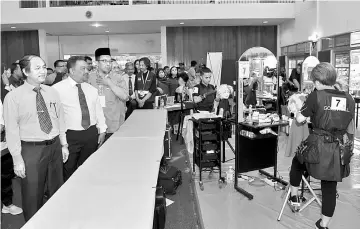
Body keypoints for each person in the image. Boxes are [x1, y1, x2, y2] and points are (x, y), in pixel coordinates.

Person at [287, 63, 355, 229]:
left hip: (317, 145)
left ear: (317, 81)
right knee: (330, 185)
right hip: (338, 148)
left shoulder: (316, 96)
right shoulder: (349, 98)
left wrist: (301, 114)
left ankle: (294, 196)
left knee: (297, 163)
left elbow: (300, 120)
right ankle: (323, 224)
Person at [3, 55, 69, 221]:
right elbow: (11, 130)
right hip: (31, 149)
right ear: (25, 71)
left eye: (44, 67)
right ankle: (33, 223)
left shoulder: (52, 91)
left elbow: (60, 119)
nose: (43, 71)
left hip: (54, 146)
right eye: (37, 68)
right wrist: (17, 159)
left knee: (56, 188)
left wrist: (64, 144)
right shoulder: (13, 97)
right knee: (32, 193)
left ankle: (56, 221)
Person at [53, 56, 107, 181]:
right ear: (72, 71)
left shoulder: (91, 89)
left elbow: (98, 111)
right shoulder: (57, 89)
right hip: (70, 135)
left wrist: (102, 130)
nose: (87, 71)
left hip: (90, 133)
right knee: (68, 169)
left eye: (87, 68)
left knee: (89, 167)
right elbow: (54, 116)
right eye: (83, 69)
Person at [88, 48, 128, 141]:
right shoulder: (89, 78)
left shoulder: (118, 78)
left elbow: (125, 97)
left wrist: (109, 83)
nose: (108, 64)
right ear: (97, 62)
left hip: (114, 125)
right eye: (104, 61)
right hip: (95, 125)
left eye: (110, 61)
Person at [1, 99, 23, 216]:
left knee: (5, 177)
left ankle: (7, 205)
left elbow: (4, 118)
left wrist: (4, 127)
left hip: (3, 148)